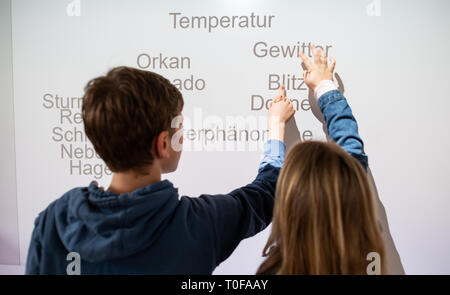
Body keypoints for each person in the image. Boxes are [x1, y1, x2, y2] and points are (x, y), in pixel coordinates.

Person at [25, 66, 295, 274]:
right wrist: (276, 126)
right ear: (163, 144)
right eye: (179, 126)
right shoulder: (201, 225)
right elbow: (265, 193)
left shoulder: (54, 221)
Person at [257, 45, 385, 274]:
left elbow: (265, 186)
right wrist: (325, 86)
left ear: (288, 204)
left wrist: (276, 126)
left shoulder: (275, 270)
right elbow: (350, 147)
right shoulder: (365, 260)